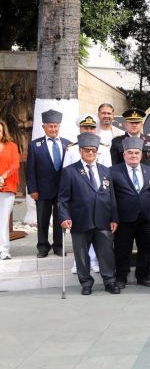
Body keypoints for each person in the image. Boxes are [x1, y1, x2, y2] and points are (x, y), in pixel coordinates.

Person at [57, 133, 120, 295]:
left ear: (97, 152)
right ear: (80, 151)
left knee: (106, 252)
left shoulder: (105, 171)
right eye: (87, 150)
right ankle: (86, 283)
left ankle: (110, 281)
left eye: (93, 150)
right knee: (81, 254)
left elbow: (111, 196)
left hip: (103, 219)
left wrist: (114, 218)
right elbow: (63, 198)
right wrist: (64, 217)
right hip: (80, 219)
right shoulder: (70, 171)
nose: (90, 153)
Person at [110, 136, 150, 287]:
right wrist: (114, 218)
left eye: (136, 153)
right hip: (124, 219)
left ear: (141, 155)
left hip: (146, 218)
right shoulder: (113, 171)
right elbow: (111, 197)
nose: (133, 155)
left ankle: (143, 276)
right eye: (130, 153)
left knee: (146, 248)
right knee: (122, 249)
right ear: (124, 155)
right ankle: (121, 277)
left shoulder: (149, 171)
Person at [27, 109, 71, 258]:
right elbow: (30, 170)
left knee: (60, 219)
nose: (53, 129)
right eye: (50, 126)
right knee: (42, 220)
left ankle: (59, 246)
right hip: (42, 190)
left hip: (62, 190)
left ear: (59, 126)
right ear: (44, 127)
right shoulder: (35, 145)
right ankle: (43, 247)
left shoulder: (67, 144)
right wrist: (32, 189)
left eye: (55, 126)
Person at [0, 119, 20, 260]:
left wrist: (3, 177)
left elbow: (15, 165)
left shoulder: (12, 146)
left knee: (3, 220)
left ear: (3, 132)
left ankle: (4, 250)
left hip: (7, 187)